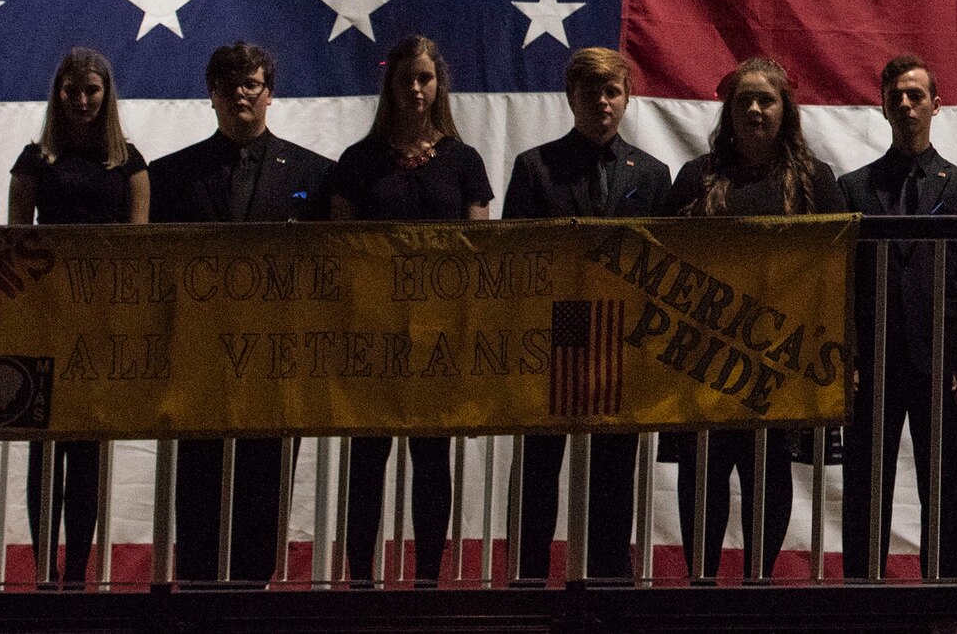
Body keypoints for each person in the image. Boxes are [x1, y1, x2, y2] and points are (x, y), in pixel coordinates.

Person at [148, 41, 332, 584]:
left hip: (278, 361)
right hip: (198, 361)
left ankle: (255, 596)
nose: (240, 94)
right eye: (228, 85)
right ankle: (200, 601)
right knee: (198, 493)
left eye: (251, 84)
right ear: (211, 95)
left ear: (269, 93)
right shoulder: (171, 175)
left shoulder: (315, 173)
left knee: (265, 492)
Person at [660, 56, 848, 581]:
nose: (755, 109)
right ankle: (702, 580)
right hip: (704, 355)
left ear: (786, 110)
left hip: (782, 353)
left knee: (769, 470)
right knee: (704, 470)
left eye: (766, 99)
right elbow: (663, 262)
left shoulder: (813, 180)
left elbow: (839, 273)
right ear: (728, 111)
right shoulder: (697, 177)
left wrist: (842, 352)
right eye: (744, 100)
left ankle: (758, 581)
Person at [503, 47, 671, 583]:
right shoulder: (535, 166)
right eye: (590, 92)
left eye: (612, 92)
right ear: (570, 97)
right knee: (539, 466)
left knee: (614, 467)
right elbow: (518, 262)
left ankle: (608, 581)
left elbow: (661, 267)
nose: (601, 102)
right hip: (554, 335)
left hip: (621, 336)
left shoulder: (651, 173)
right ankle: (528, 579)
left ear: (626, 99)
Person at [331, 35, 494, 585]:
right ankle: (359, 578)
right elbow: (341, 250)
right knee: (367, 459)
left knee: (431, 459)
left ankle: (427, 579)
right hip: (373, 333)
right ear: (391, 85)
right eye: (407, 79)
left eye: (425, 78)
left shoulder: (464, 160)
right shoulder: (357, 161)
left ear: (438, 84)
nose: (416, 89)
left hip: (438, 333)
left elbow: (481, 252)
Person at [7, 48, 149, 588]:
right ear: (57, 95)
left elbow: (137, 247)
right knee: (43, 454)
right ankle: (46, 572)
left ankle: (77, 577)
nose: (82, 101)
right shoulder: (32, 160)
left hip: (102, 323)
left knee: (87, 455)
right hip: (46, 318)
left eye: (92, 91)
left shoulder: (130, 163)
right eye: (72, 91)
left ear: (106, 95)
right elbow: (15, 245)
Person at [837, 54, 957, 580]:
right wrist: (847, 353)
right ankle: (861, 594)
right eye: (895, 95)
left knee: (943, 487)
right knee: (864, 485)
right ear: (881, 105)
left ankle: (946, 600)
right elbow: (843, 282)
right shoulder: (852, 188)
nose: (905, 103)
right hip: (871, 360)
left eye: (915, 95)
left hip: (940, 357)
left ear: (936, 105)